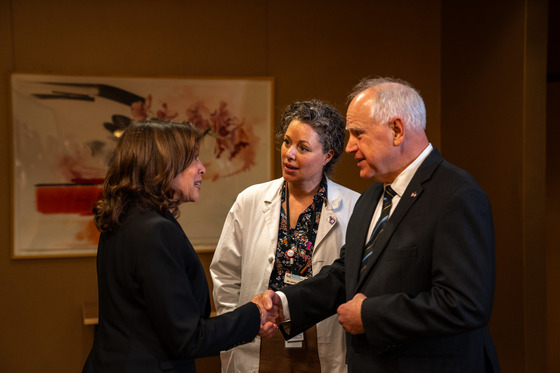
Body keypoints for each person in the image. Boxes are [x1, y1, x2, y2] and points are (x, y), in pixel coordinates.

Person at [270, 77, 501, 372]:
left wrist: (370, 314)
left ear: (397, 130)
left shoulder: (457, 195)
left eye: (358, 134)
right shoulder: (371, 199)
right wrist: (284, 303)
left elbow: (463, 304)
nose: (349, 147)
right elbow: (346, 275)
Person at [82, 119, 278, 373]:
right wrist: (255, 314)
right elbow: (187, 338)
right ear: (162, 167)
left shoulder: (123, 218)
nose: (202, 169)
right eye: (193, 159)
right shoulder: (155, 231)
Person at [210, 100, 360, 372]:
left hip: (323, 338)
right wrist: (235, 329)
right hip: (260, 334)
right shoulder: (251, 200)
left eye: (303, 148)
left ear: (328, 156)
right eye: (287, 142)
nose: (289, 154)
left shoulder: (353, 207)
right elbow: (226, 275)